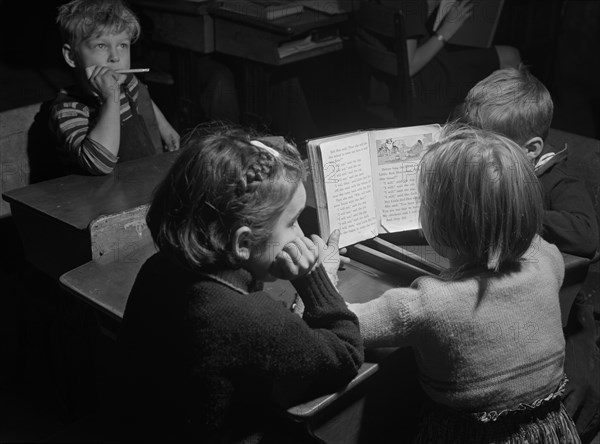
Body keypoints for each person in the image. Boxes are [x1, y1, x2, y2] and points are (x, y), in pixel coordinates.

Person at [118, 125, 363, 443]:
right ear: (243, 243)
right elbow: (345, 353)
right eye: (292, 222)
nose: (302, 236)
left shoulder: (160, 267)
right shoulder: (253, 320)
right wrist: (314, 275)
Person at [348, 125, 581, 443]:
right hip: (548, 432)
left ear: (438, 225)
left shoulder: (428, 304)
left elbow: (347, 324)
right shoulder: (547, 262)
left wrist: (315, 275)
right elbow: (535, 244)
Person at [460, 66, 600, 442]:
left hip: (561, 314)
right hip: (501, 295)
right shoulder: (491, 167)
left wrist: (520, 210)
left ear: (531, 149)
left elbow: (587, 235)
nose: (477, 153)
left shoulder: (558, 180)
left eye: (488, 145)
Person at [50, 0, 180, 175]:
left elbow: (143, 96)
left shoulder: (128, 83)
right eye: (101, 46)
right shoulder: (69, 110)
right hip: (96, 199)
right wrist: (110, 98)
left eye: (122, 45)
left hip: (142, 184)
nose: (115, 57)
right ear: (71, 56)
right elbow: (100, 164)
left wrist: (165, 129)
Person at [361, 0, 521, 122]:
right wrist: (447, 29)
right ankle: (509, 123)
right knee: (510, 58)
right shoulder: (411, 4)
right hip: (422, 89)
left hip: (384, 88)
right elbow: (410, 65)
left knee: (509, 54)